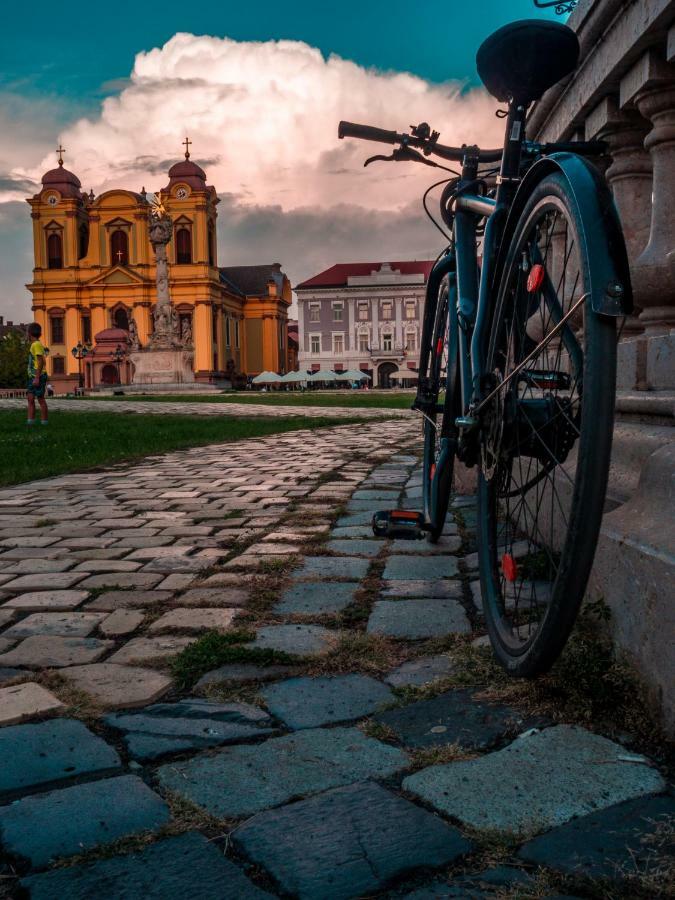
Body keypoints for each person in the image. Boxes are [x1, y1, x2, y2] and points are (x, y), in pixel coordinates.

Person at [26, 323, 49, 425]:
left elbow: (40, 361)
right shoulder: (34, 344)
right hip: (32, 376)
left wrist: (37, 377)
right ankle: (30, 421)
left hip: (37, 375)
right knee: (30, 398)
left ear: (29, 333)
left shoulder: (36, 345)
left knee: (40, 399)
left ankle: (44, 422)